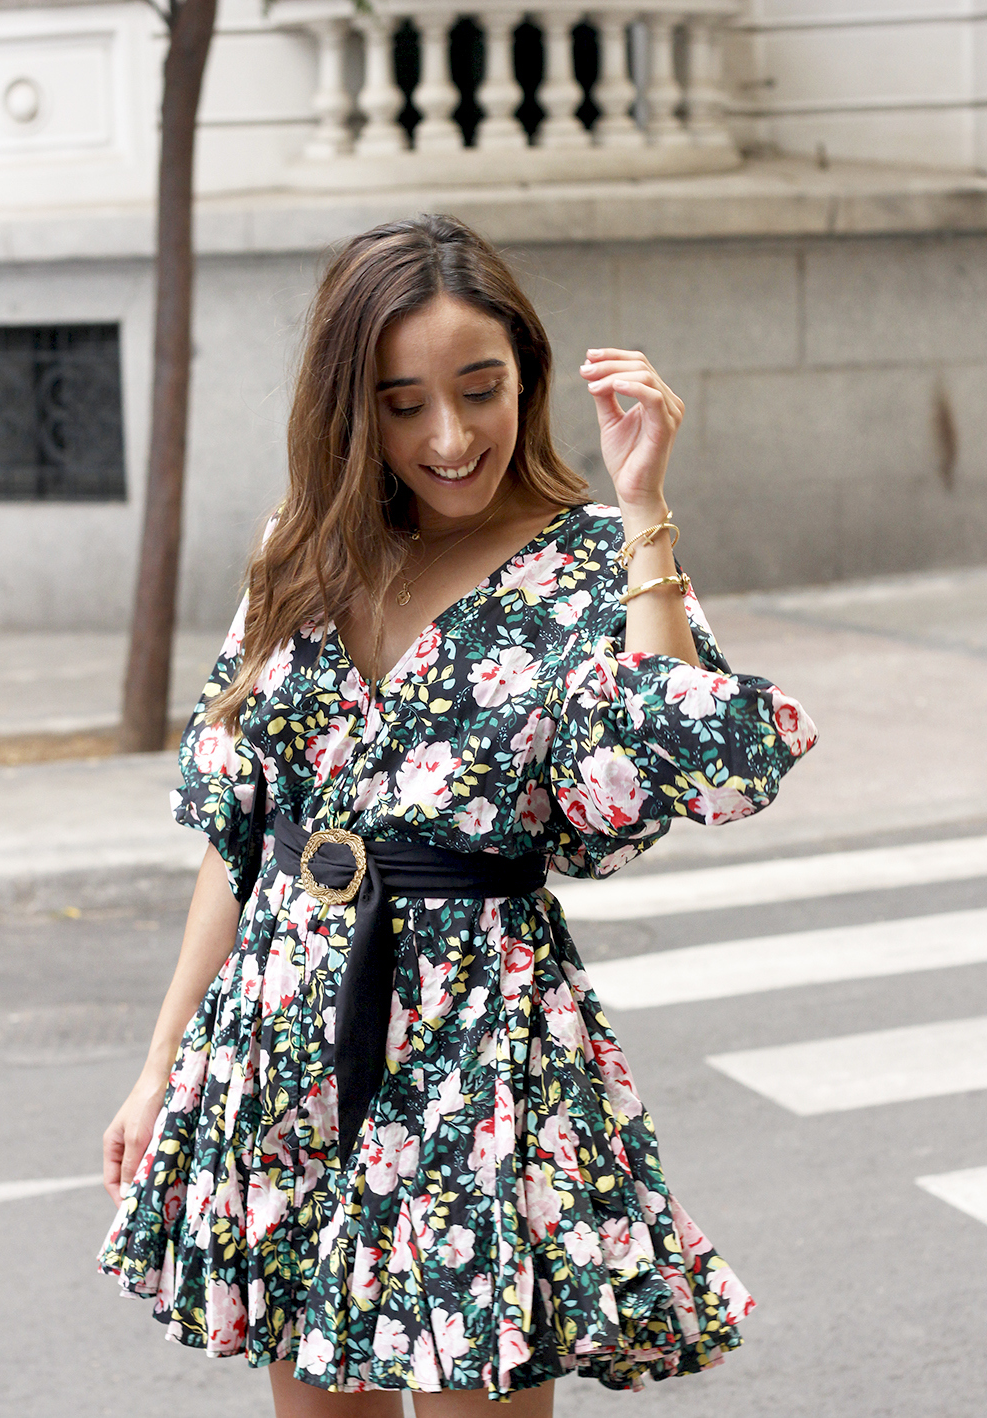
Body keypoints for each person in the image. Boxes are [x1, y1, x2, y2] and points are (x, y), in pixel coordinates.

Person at [99, 214, 816, 1415]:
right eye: (403, 403)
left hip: (471, 1048)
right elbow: (242, 835)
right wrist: (161, 1062)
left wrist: (644, 505)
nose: (448, 435)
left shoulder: (590, 562)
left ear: (526, 373)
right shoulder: (304, 549)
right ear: (353, 411)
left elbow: (685, 763)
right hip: (281, 1037)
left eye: (480, 389)